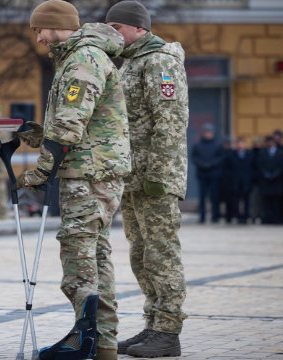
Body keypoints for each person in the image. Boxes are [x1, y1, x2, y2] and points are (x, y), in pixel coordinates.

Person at [16, 2, 131, 359]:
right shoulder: (81, 57)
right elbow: (76, 123)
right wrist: (38, 135)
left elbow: (68, 127)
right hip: (95, 171)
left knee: (79, 261)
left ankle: (85, 342)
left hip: (88, 175)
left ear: (57, 26)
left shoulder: (83, 60)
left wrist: (39, 172)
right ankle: (103, 342)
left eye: (40, 30)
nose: (37, 37)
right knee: (96, 257)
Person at [106, 1, 188, 357]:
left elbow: (169, 121)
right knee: (141, 255)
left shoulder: (160, 61)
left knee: (161, 254)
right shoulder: (131, 62)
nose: (113, 35)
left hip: (155, 177)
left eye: (118, 28)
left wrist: (157, 173)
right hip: (133, 176)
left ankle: (168, 331)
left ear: (138, 28)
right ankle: (153, 325)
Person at [191, 123, 225, 224]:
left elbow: (221, 158)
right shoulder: (197, 145)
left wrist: (211, 164)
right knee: (202, 197)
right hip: (202, 174)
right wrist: (202, 164)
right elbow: (194, 157)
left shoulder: (217, 145)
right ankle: (202, 217)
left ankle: (215, 217)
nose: (208, 134)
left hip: (214, 174)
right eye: (206, 132)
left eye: (209, 132)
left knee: (214, 197)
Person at [225, 137, 253, 224]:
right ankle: (236, 216)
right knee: (235, 200)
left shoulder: (250, 154)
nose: (240, 145)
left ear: (245, 144)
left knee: (246, 200)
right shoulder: (231, 155)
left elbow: (253, 167)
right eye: (239, 143)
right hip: (235, 181)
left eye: (242, 143)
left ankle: (246, 216)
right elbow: (227, 168)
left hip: (246, 181)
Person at [257, 136, 283, 224]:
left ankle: (276, 218)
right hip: (266, 181)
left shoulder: (280, 153)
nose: (269, 143)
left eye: (271, 141)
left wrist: (275, 174)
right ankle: (268, 218)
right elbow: (260, 165)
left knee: (276, 201)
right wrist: (266, 174)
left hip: (277, 181)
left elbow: (281, 166)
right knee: (266, 201)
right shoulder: (262, 153)